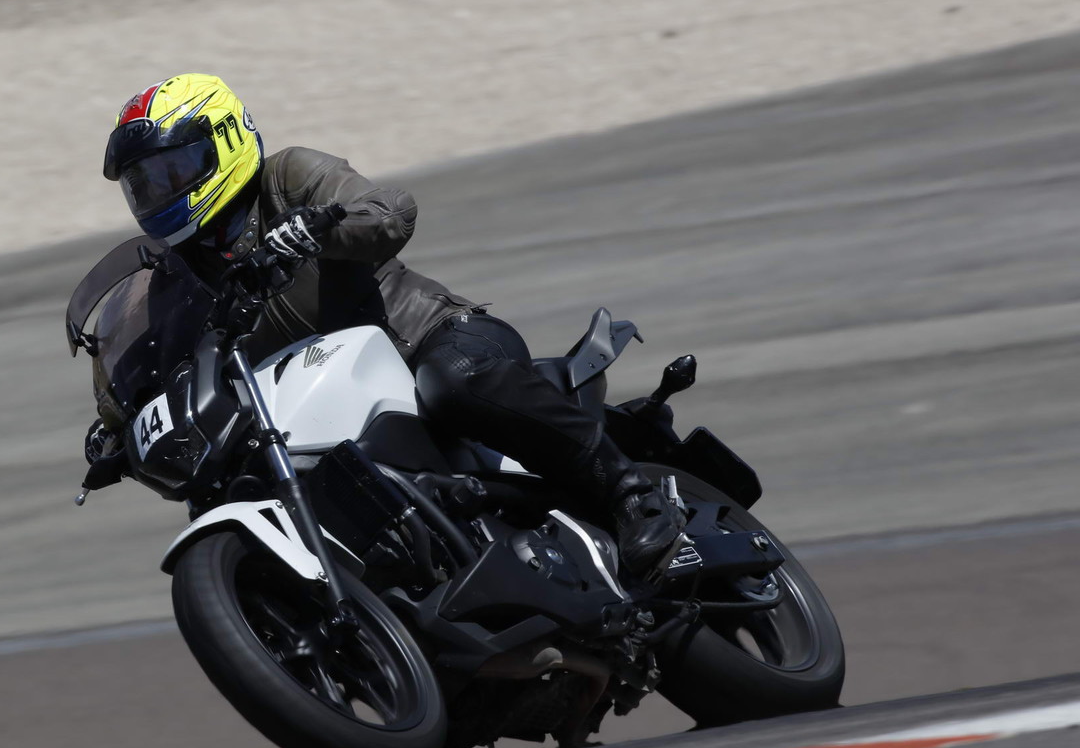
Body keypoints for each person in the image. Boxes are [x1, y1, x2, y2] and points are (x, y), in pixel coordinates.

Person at [91, 73, 684, 578]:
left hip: (425, 339)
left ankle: (632, 497)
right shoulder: (176, 277)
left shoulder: (286, 177)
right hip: (319, 403)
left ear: (224, 139)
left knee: (453, 382)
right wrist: (116, 423)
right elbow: (148, 351)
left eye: (172, 170)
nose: (160, 191)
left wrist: (317, 228)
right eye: (145, 182)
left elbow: (390, 212)